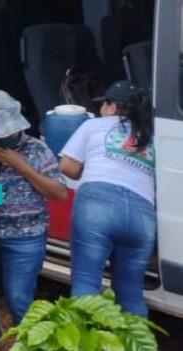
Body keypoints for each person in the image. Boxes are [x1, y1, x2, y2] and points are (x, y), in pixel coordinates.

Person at [0, 90, 67, 349]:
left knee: (19, 297)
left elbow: (59, 192)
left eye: (9, 135)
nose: (4, 140)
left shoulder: (36, 150)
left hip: (27, 236)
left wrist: (21, 165)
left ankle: (28, 344)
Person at [60, 80, 156, 316]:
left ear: (112, 107)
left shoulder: (94, 125)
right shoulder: (151, 135)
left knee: (85, 284)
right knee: (131, 292)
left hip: (97, 206)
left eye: (104, 104)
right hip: (142, 214)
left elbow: (68, 167)